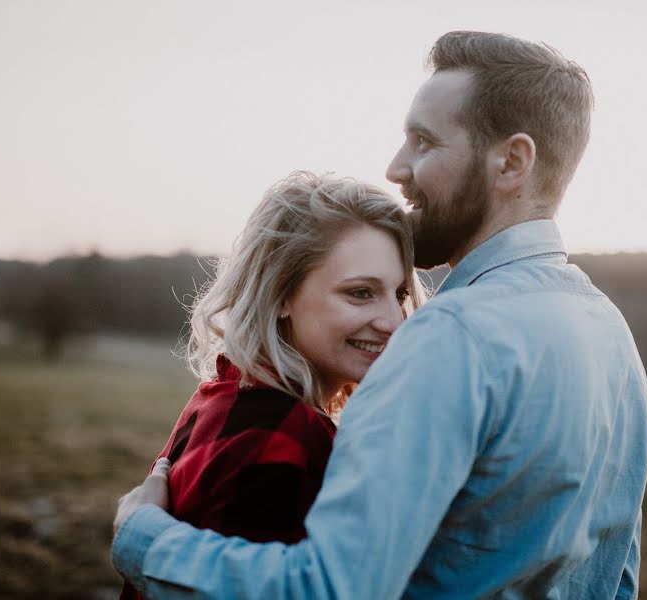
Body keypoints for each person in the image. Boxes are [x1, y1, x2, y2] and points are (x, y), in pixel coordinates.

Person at [113, 31, 647, 599]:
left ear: (512, 162)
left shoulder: (451, 337)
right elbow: (616, 581)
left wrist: (143, 538)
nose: (397, 167)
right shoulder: (613, 338)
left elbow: (329, 590)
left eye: (423, 141)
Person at [117, 171, 425, 600]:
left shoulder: (223, 396)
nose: (394, 321)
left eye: (400, 294)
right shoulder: (285, 432)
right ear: (280, 294)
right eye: (360, 293)